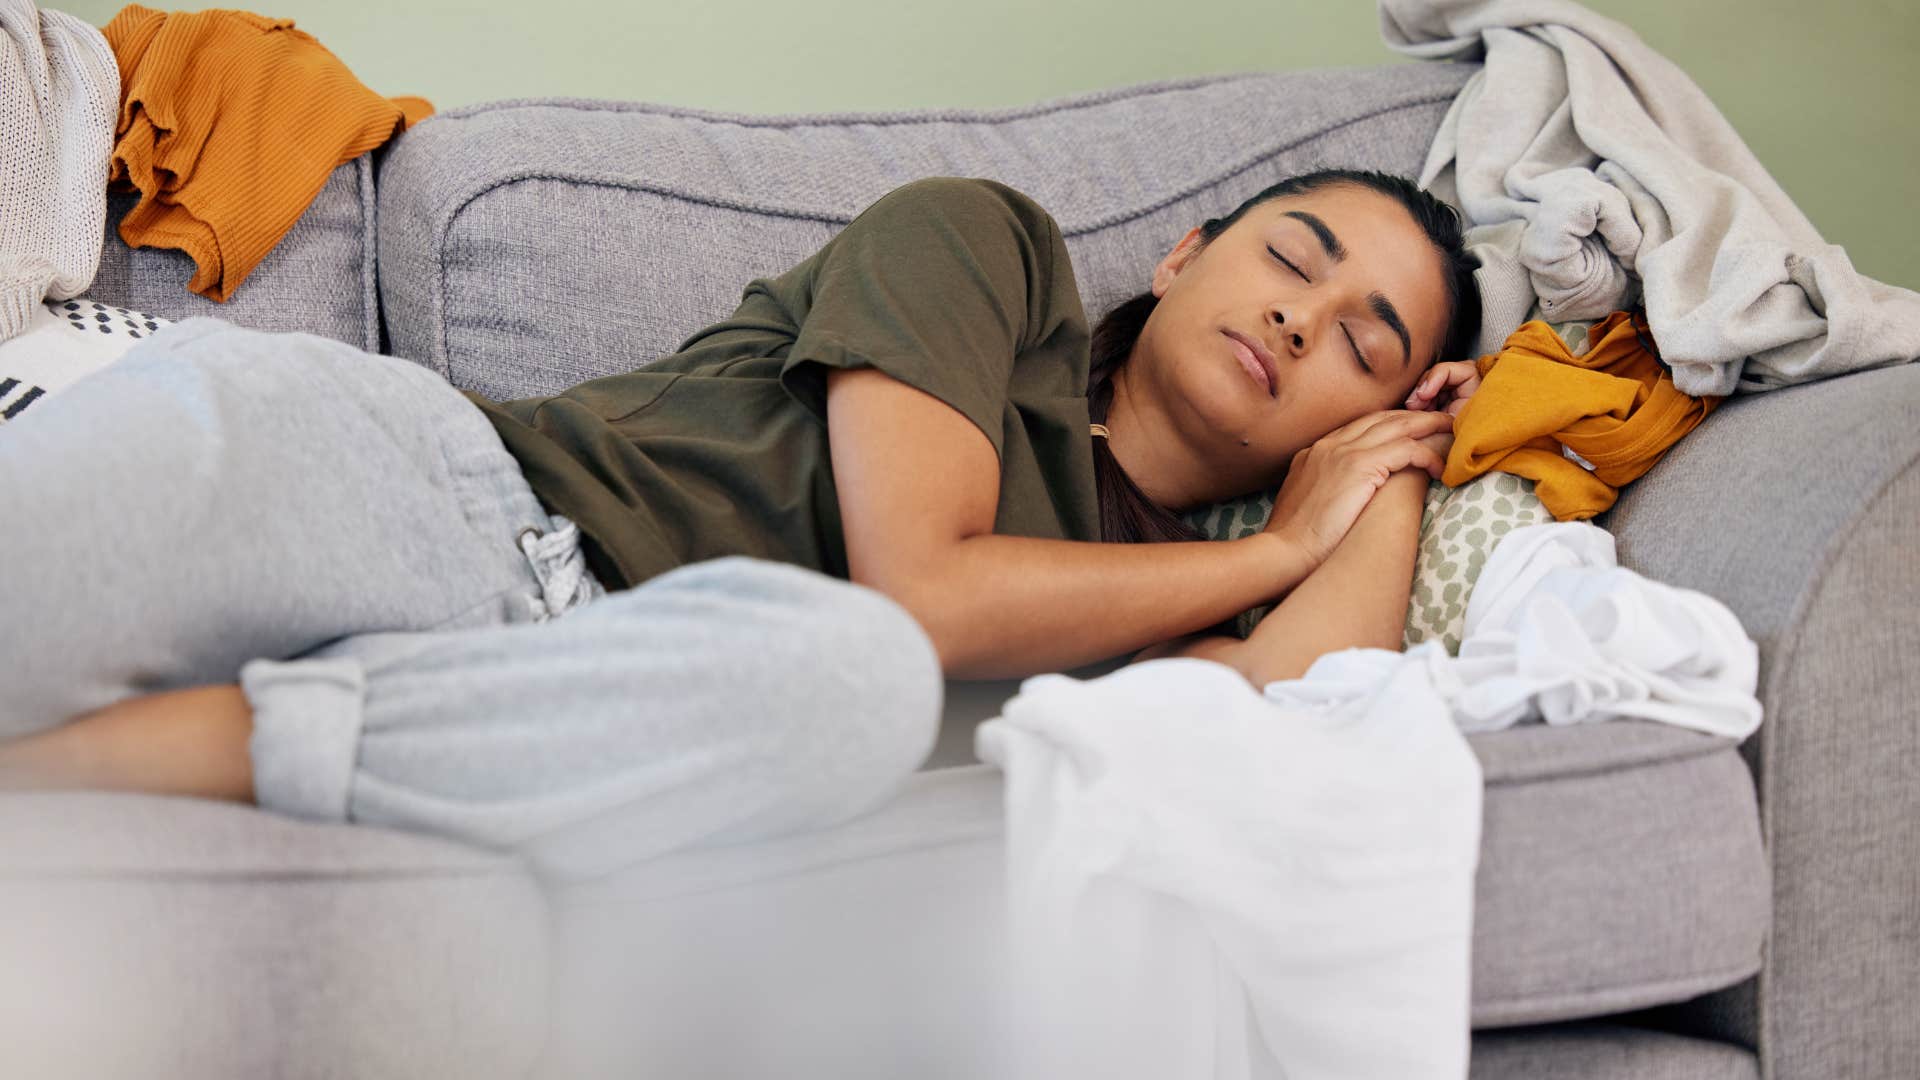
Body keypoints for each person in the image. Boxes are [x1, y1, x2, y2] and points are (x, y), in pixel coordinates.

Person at [0, 170, 1481, 879]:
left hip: (640, 701)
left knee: (850, 690)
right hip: (457, 503)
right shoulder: (995, 257)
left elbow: (1309, 686)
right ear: (1187, 250)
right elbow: (928, 588)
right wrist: (1283, 547)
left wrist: (1419, 447)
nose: (1304, 315)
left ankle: (105, 764)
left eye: (1365, 342)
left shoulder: (1168, 619)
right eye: (1297, 256)